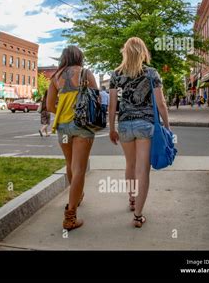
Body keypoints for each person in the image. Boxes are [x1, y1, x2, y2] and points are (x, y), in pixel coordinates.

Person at [108, 37, 170, 228]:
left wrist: (111, 128)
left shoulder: (116, 74)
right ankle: (138, 215)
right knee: (143, 169)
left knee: (130, 165)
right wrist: (167, 125)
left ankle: (132, 199)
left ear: (125, 52)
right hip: (146, 125)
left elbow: (112, 106)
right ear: (143, 52)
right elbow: (161, 103)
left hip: (125, 125)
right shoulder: (152, 73)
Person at [47, 45, 98, 231]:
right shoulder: (86, 73)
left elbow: (49, 105)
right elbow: (97, 99)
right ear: (79, 57)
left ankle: (76, 197)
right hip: (83, 125)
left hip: (63, 126)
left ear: (64, 57)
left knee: (70, 164)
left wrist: (62, 111)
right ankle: (70, 217)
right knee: (79, 169)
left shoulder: (55, 77)